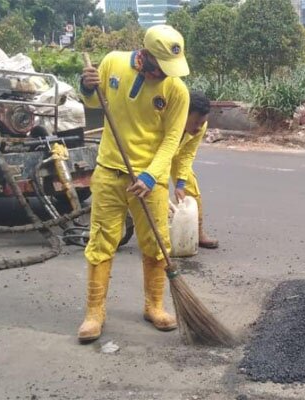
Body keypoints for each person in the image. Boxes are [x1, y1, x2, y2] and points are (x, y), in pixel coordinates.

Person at [76, 25, 190, 343]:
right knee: (101, 242)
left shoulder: (176, 91)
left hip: (149, 180)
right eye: (162, 69)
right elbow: (95, 103)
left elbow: (172, 140)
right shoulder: (112, 62)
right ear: (146, 57)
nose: (166, 75)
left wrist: (151, 176)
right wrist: (86, 88)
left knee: (156, 244)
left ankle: (154, 305)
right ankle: (94, 313)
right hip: (109, 171)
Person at [171, 91, 219, 249]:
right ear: (183, 113)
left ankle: (197, 233)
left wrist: (180, 184)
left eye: (202, 122)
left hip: (177, 154)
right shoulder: (168, 119)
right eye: (195, 122)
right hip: (155, 154)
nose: (199, 127)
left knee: (192, 190)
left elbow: (187, 153)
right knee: (155, 192)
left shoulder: (201, 126)